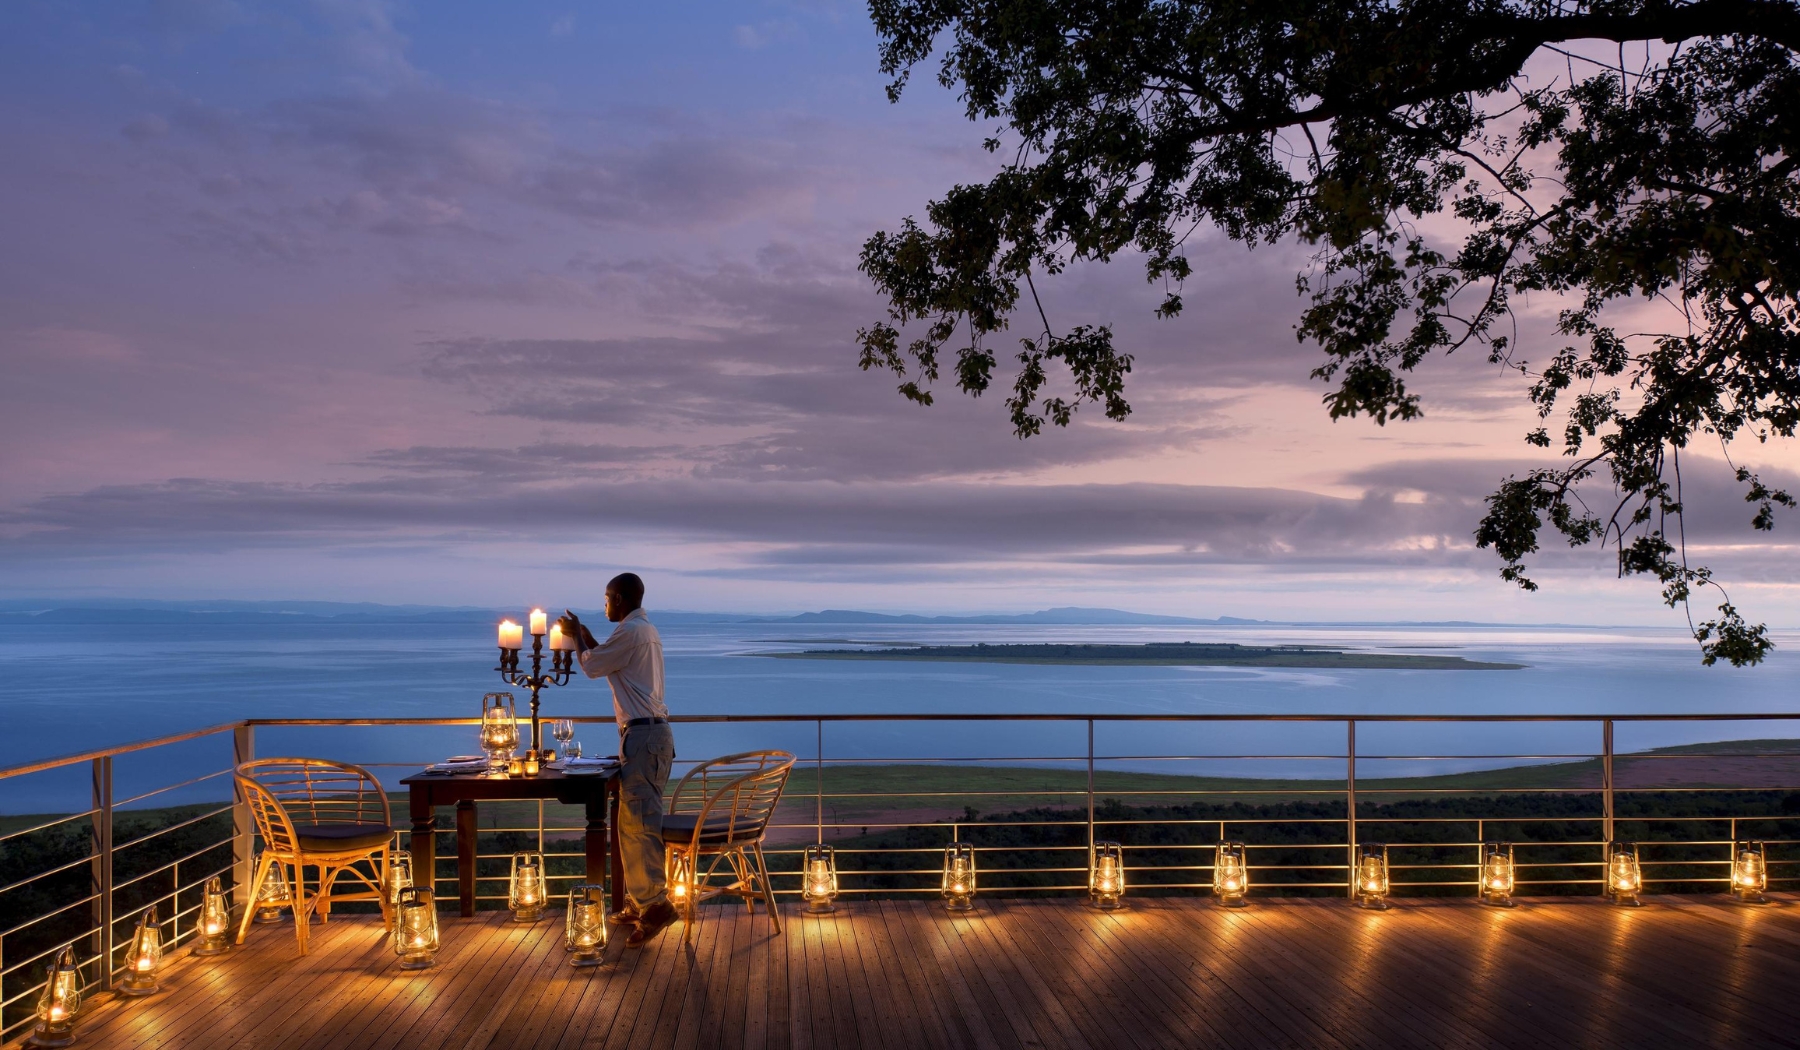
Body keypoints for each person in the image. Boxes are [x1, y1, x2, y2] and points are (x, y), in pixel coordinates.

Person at [558, 573, 677, 947]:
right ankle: (642, 902)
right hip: (646, 736)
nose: (605, 603)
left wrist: (577, 635)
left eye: (608, 598)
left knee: (640, 825)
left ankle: (656, 906)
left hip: (643, 737)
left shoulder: (632, 632)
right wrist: (585, 635)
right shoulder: (642, 630)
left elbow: (592, 667)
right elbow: (604, 658)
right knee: (631, 825)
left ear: (621, 599)